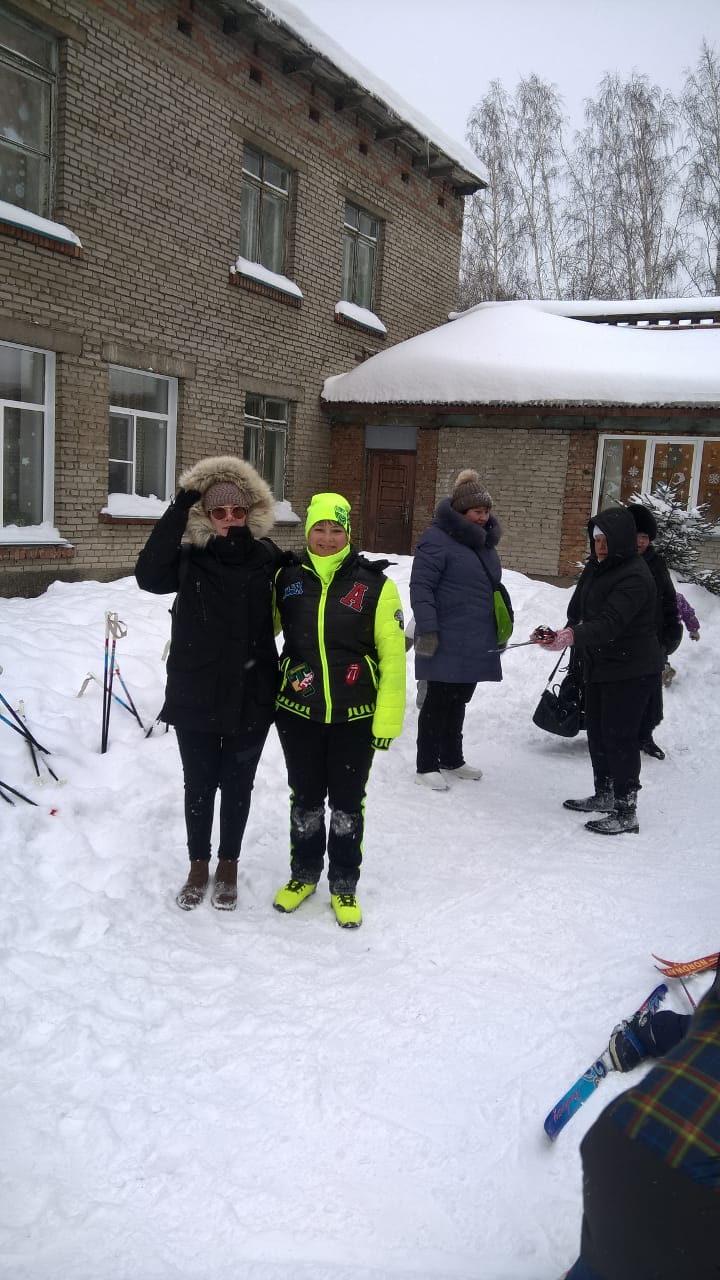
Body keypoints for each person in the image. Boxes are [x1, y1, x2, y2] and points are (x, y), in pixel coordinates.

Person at [135, 456, 282, 911]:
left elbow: (310, 595)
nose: (229, 519)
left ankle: (229, 865)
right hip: (195, 693)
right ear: (206, 515)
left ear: (250, 512)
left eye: (237, 511)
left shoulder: (268, 558)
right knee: (198, 785)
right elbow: (147, 576)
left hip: (252, 693)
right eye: (219, 511)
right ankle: (198, 865)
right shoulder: (188, 560)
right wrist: (178, 507)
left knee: (238, 786)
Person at [271, 493, 406, 928]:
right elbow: (258, 629)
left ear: (348, 533)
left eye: (336, 530)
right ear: (308, 530)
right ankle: (304, 874)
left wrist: (388, 719)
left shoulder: (376, 585)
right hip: (298, 711)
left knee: (347, 804)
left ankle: (344, 883)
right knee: (306, 800)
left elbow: (393, 658)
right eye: (319, 528)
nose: (327, 538)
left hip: (356, 714)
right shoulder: (286, 578)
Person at [564, 958, 720, 1280]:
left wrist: (650, 1032)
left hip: (618, 1139)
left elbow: (702, 1027)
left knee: (614, 1256)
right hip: (696, 1198)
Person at [534, 507, 663, 835]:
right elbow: (579, 611)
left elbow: (610, 623)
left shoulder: (635, 575)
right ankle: (604, 793)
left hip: (631, 669)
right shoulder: (597, 567)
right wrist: (557, 634)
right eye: (596, 540)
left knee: (620, 737)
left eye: (606, 540)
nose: (600, 547)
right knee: (598, 732)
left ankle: (626, 810)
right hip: (600, 664)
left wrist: (571, 636)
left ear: (621, 539)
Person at [410, 468, 503, 792]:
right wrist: (428, 628)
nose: (483, 517)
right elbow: (421, 587)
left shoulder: (483, 543)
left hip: (474, 635)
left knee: (459, 698)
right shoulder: (436, 539)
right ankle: (426, 765)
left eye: (486, 511)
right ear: (461, 511)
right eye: (477, 511)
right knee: (437, 700)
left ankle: (451, 757)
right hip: (443, 634)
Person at [627, 504, 682, 760]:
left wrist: (670, 636)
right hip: (622, 642)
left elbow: (669, 601)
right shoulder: (615, 562)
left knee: (649, 694)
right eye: (636, 535)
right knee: (621, 695)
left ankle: (645, 736)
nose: (640, 541)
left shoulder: (656, 564)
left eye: (645, 537)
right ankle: (616, 736)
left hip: (652, 642)